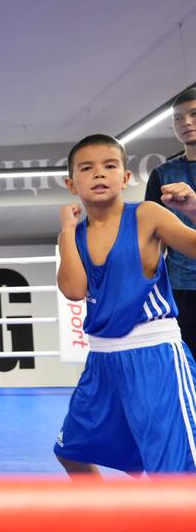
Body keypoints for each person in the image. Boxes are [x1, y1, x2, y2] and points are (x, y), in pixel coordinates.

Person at [55, 134, 196, 475]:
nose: (99, 173)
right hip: (102, 360)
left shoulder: (147, 215)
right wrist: (66, 230)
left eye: (109, 166)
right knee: (71, 451)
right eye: (87, 168)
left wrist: (194, 210)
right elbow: (73, 290)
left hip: (155, 356)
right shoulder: (73, 235)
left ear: (126, 177)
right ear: (71, 184)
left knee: (172, 471)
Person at [145, 88, 196, 357]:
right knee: (186, 364)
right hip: (180, 287)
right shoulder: (163, 174)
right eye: (178, 118)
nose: (186, 122)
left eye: (194, 114)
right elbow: (152, 237)